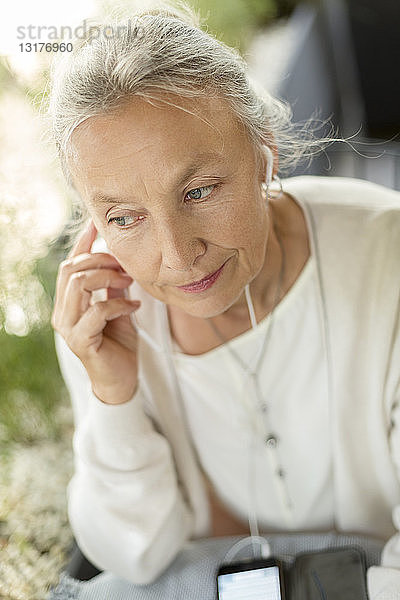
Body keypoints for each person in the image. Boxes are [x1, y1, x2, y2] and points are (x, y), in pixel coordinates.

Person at [49, 1, 400, 597]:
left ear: (264, 151)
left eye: (200, 190)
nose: (178, 256)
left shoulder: (385, 259)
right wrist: (114, 398)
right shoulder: (104, 315)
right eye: (125, 217)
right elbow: (134, 558)